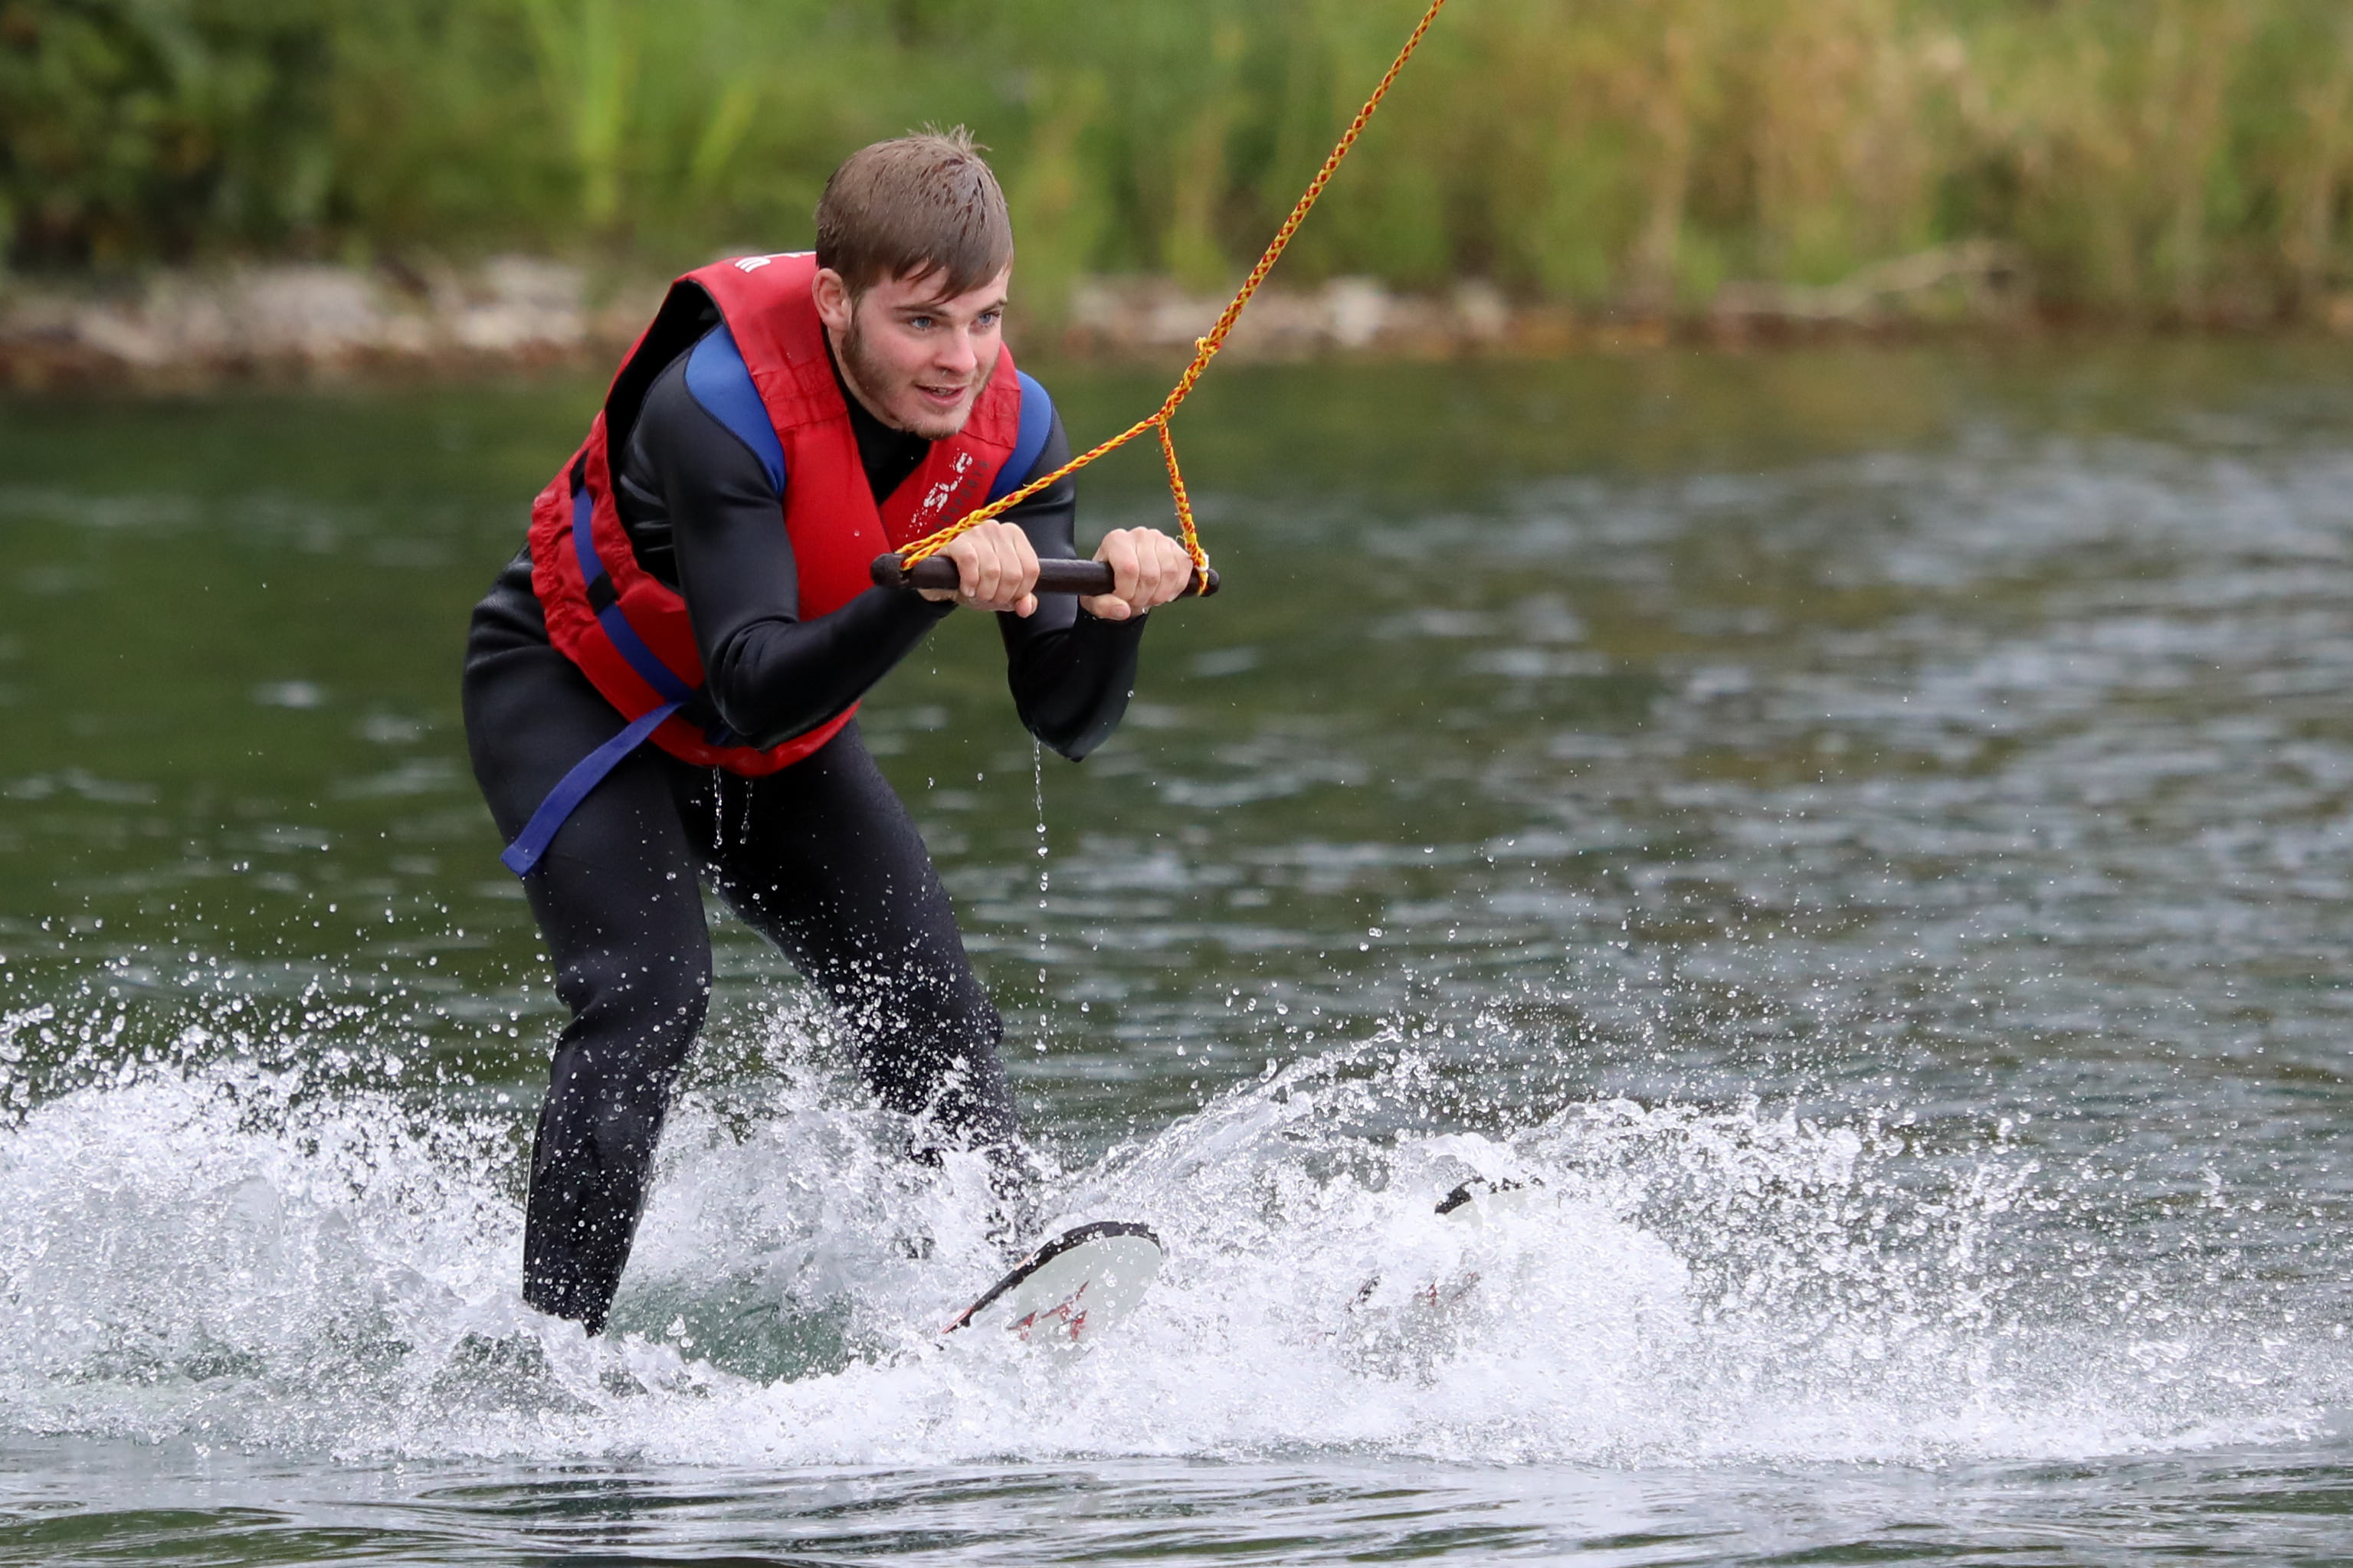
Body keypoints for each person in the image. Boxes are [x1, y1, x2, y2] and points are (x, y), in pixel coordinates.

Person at [461, 129, 1200, 1335]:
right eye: (922, 323)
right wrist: (925, 588)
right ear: (834, 303)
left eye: (987, 318)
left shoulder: (1018, 430)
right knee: (649, 997)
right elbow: (752, 685)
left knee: (937, 1015)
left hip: (777, 739)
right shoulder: (715, 406)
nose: (961, 360)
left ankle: (1009, 1304)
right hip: (583, 694)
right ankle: (552, 1368)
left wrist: (1120, 613)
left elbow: (1063, 720)